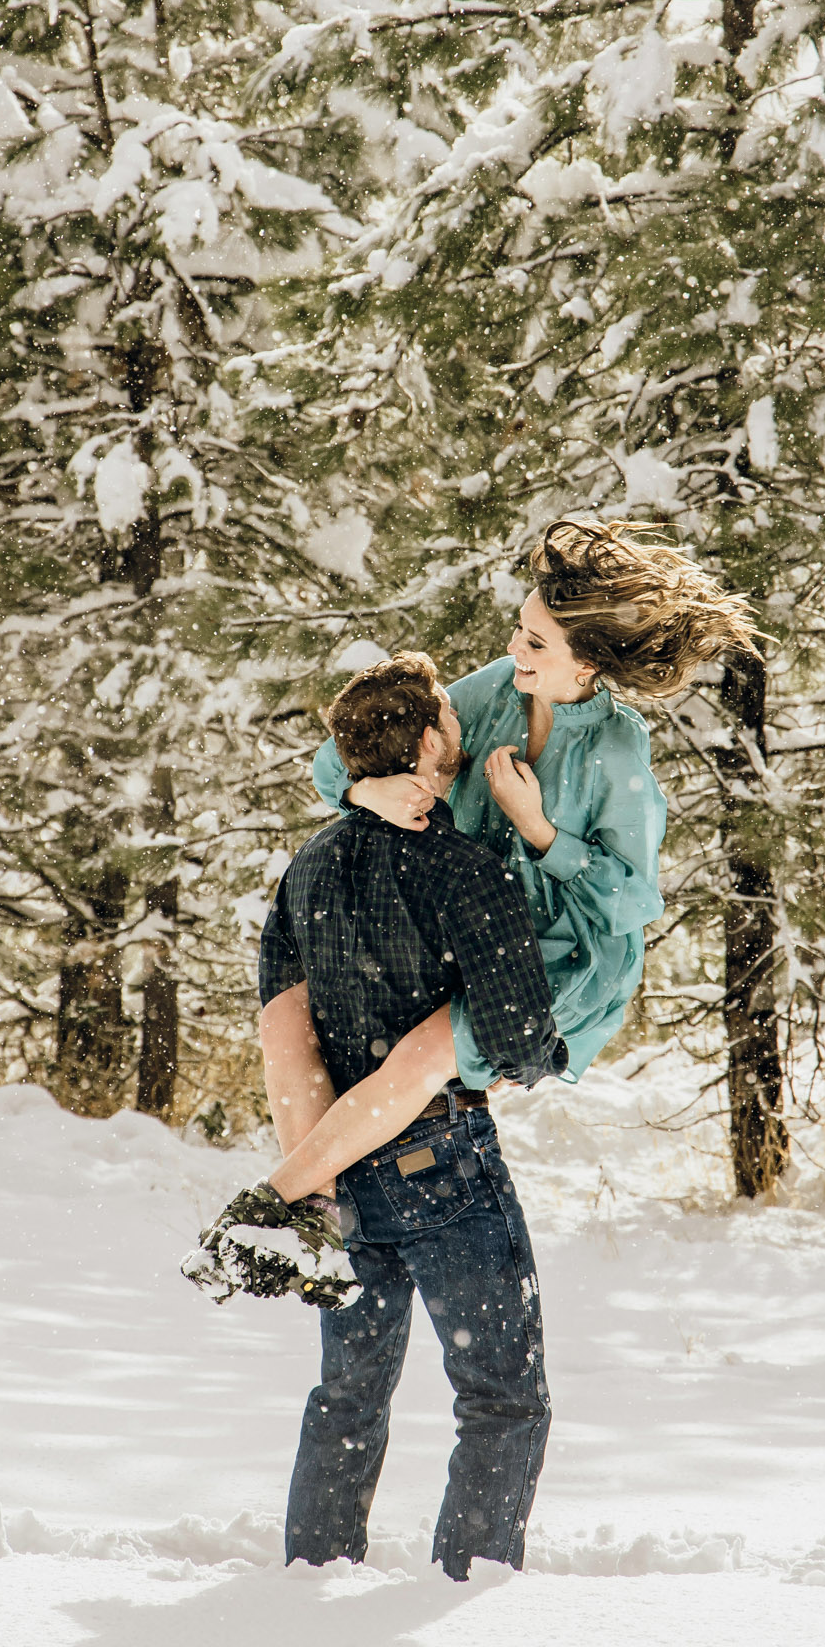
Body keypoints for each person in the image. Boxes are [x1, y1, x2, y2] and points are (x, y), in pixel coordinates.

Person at [188, 652, 568, 1580]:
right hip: (445, 1165)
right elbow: (516, 1033)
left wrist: (309, 1181)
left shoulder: (306, 869)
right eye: (450, 716)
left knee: (348, 1394)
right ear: (435, 741)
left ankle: (312, 1574)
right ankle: (468, 1581)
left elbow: (286, 1039)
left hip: (339, 1171)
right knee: (502, 1398)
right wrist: (542, 1058)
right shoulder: (460, 869)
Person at [305, 516, 756, 1146]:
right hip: (461, 925)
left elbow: (629, 900)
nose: (517, 648)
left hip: (554, 957)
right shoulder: (495, 687)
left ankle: (285, 1201)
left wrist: (538, 829)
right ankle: (312, 1204)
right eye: (520, 629)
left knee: (420, 1058)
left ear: (587, 664)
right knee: (308, 1010)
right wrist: (366, 787)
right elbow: (350, 749)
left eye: (537, 644)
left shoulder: (619, 749)